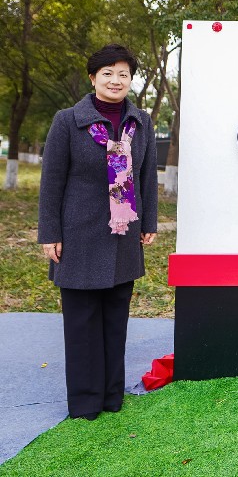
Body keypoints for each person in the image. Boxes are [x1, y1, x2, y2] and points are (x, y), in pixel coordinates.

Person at [38, 44, 158, 420]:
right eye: (107, 73)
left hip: (123, 234)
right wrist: (49, 232)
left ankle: (111, 396)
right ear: (93, 78)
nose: (115, 80)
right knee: (82, 321)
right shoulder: (68, 121)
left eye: (123, 74)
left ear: (131, 80)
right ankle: (86, 402)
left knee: (115, 319)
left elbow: (146, 177)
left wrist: (149, 223)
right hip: (78, 235)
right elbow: (51, 181)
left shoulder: (140, 123)